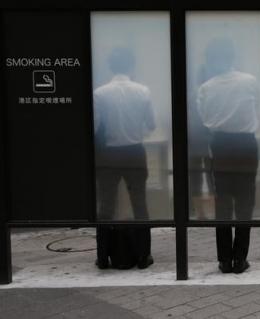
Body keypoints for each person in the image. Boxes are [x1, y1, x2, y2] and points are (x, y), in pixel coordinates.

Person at [197, 38, 260, 274]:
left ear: (211, 60)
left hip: (220, 145)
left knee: (222, 204)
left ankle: (224, 259)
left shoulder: (205, 88)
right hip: (246, 145)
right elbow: (257, 111)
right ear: (232, 57)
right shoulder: (250, 82)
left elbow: (205, 120)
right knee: (245, 203)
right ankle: (240, 259)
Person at [94, 47, 156, 269]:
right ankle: (143, 256)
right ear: (132, 66)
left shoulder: (100, 93)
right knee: (140, 205)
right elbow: (151, 125)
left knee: (105, 207)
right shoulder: (142, 91)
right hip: (134, 153)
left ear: (111, 66)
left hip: (108, 155)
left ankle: (102, 257)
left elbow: (95, 127)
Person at [188, 66, 215, 220]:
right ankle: (215, 212)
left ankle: (201, 214)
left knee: (195, 177)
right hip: (210, 138)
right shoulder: (211, 92)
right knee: (213, 176)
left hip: (193, 139)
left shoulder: (192, 94)